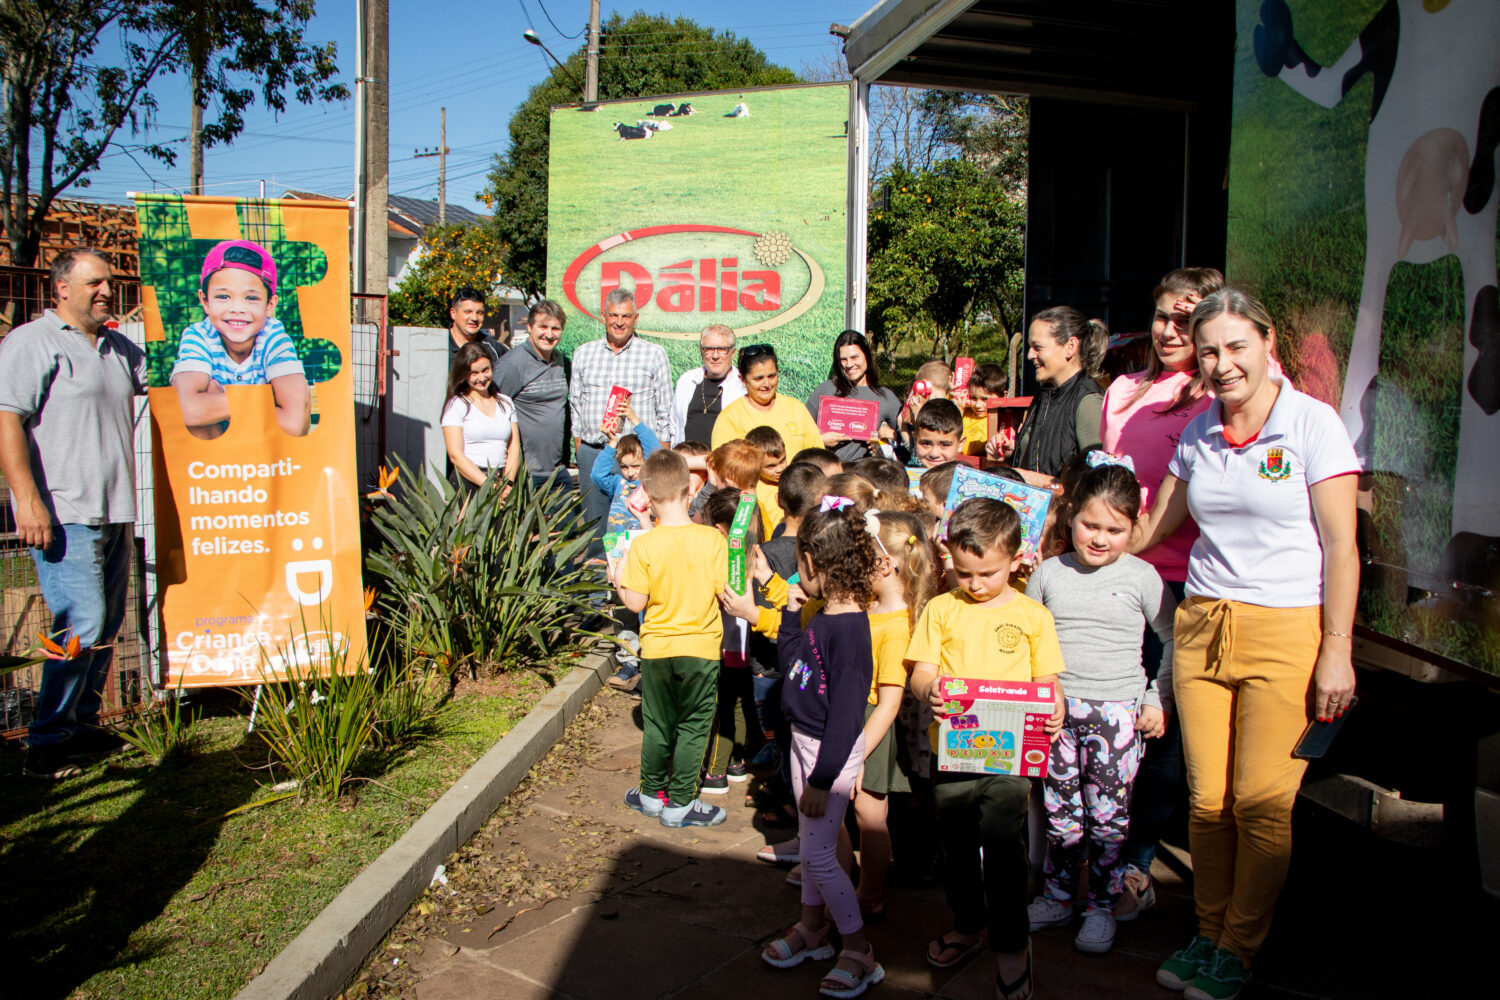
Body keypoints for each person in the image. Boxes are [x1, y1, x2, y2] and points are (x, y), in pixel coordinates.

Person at [1133, 287, 1359, 1000]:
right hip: (1203, 626)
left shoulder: (1310, 424)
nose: (1223, 363)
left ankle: (1239, 945)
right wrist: (1065, 541)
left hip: (1289, 628)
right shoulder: (1200, 430)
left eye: (1236, 346)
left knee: (1262, 804)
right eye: (1209, 352)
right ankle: (1206, 932)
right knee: (1207, 803)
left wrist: (1336, 649)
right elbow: (1151, 529)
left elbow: (1342, 550)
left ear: (1267, 343)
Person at [1098, 267, 1224, 920]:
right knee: (1107, 715)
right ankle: (1095, 853)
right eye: (1163, 316)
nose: (1171, 329)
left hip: (1176, 584)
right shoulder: (1122, 389)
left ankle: (1136, 866)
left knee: (1159, 729)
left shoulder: (1216, 401)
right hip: (1114, 576)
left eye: (1188, 318)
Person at [906, 498, 1066, 1000]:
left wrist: (1055, 708)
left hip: (1011, 759)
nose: (974, 584)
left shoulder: (1033, 614)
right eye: (963, 572)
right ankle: (968, 924)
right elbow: (921, 672)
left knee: (1002, 846)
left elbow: (1047, 681)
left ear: (1017, 559)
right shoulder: (940, 607)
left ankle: (1013, 946)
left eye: (988, 573)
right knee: (955, 847)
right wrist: (928, 690)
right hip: (953, 754)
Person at [0, 248, 147, 780]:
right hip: (64, 510)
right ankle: (46, 744)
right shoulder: (31, 343)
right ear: (62, 287)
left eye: (110, 283)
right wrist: (27, 500)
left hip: (114, 508)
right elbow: (7, 421)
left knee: (105, 625)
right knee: (76, 626)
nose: (107, 291)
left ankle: (82, 729)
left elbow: (173, 380)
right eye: (95, 283)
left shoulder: (116, 346)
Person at [1023, 457, 1178, 955]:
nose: (1100, 537)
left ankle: (1103, 907)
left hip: (1117, 717)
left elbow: (1172, 639)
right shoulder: (1048, 573)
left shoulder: (1144, 577)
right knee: (1060, 814)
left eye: (1115, 528)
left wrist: (1158, 697)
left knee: (1109, 819)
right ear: (1070, 517)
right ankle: (1059, 896)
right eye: (1090, 524)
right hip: (1055, 715)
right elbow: (1028, 640)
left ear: (1134, 528)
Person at [759, 501, 885, 998]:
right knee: (813, 854)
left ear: (812, 562)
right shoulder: (823, 616)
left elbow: (849, 717)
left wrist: (819, 779)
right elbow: (794, 664)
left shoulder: (850, 631)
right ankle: (813, 930)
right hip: (806, 746)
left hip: (825, 758)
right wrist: (790, 616)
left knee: (818, 856)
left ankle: (858, 950)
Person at [616, 449, 731, 828]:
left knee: (658, 723)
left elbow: (635, 602)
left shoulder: (644, 544)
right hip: (700, 648)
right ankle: (681, 803)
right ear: (689, 487)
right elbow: (725, 593)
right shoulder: (713, 540)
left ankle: (650, 795)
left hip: (657, 649)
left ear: (645, 494)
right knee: (694, 725)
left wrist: (618, 579)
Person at [854, 510, 938, 921]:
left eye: (859, 556)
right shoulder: (871, 609)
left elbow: (889, 701)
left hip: (880, 728)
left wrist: (857, 752)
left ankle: (873, 889)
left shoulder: (900, 624)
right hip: (865, 722)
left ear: (884, 564)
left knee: (878, 813)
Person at [171, 239, 310, 439]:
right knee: (203, 389)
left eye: (251, 298)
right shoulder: (199, 335)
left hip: (265, 457)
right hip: (215, 464)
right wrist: (266, 399)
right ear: (205, 301)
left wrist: (217, 402)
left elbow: (293, 423)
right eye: (223, 297)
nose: (237, 309)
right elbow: (190, 410)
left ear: (270, 305)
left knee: (302, 392)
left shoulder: (273, 336)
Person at [570, 289, 673, 544]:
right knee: (594, 531)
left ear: (635, 318)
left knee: (641, 529)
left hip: (639, 459)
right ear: (602, 317)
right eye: (613, 315)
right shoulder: (584, 353)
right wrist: (582, 450)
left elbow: (665, 409)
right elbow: (575, 405)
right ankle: (597, 583)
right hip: (596, 452)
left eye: (626, 316)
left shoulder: (654, 354)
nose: (619, 322)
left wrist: (660, 457)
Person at [1008, 306, 1108, 485]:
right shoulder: (1043, 397)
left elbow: (1095, 484)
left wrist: (1035, 481)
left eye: (1037, 347)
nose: (1030, 355)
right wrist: (1011, 453)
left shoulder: (1088, 402)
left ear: (1070, 347)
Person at [493, 299, 572, 494]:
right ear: (529, 327)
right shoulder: (512, 364)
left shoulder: (560, 361)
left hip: (557, 471)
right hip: (526, 474)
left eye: (556, 328)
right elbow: (494, 412)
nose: (549, 334)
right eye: (543, 326)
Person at [805, 330, 903, 463]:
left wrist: (890, 437)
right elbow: (801, 432)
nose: (849, 365)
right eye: (843, 360)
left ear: (867, 356)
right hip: (825, 471)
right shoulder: (825, 390)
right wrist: (819, 441)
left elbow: (908, 440)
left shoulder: (885, 396)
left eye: (854, 357)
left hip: (863, 475)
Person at [710, 344, 823, 457]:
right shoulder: (730, 417)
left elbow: (819, 456)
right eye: (759, 378)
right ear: (742, 380)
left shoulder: (796, 408)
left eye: (771, 376)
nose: (767, 384)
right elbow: (723, 466)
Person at [441, 342, 520, 497]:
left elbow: (514, 447)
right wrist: (489, 486)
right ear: (464, 374)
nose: (482, 377)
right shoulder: (456, 405)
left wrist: (507, 484)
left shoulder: (505, 403)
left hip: (502, 479)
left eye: (486, 370)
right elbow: (455, 455)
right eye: (474, 373)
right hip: (469, 481)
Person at [671, 324, 746, 445]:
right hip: (686, 461)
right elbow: (674, 427)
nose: (715, 356)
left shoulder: (742, 385)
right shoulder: (687, 381)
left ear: (733, 353)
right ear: (701, 352)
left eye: (722, 349)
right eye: (709, 349)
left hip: (724, 461)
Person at [744, 424, 788, 535]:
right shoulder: (755, 491)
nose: (780, 469)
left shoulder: (791, 479)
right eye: (771, 466)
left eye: (783, 460)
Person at [446, 287, 503, 369]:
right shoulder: (439, 346)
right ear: (453, 313)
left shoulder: (493, 348)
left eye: (479, 313)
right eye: (468, 312)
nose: (474, 318)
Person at [912, 398, 965, 468]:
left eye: (944, 445)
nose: (934, 454)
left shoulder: (970, 478)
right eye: (926, 443)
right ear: (915, 440)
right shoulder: (906, 478)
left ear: (960, 444)